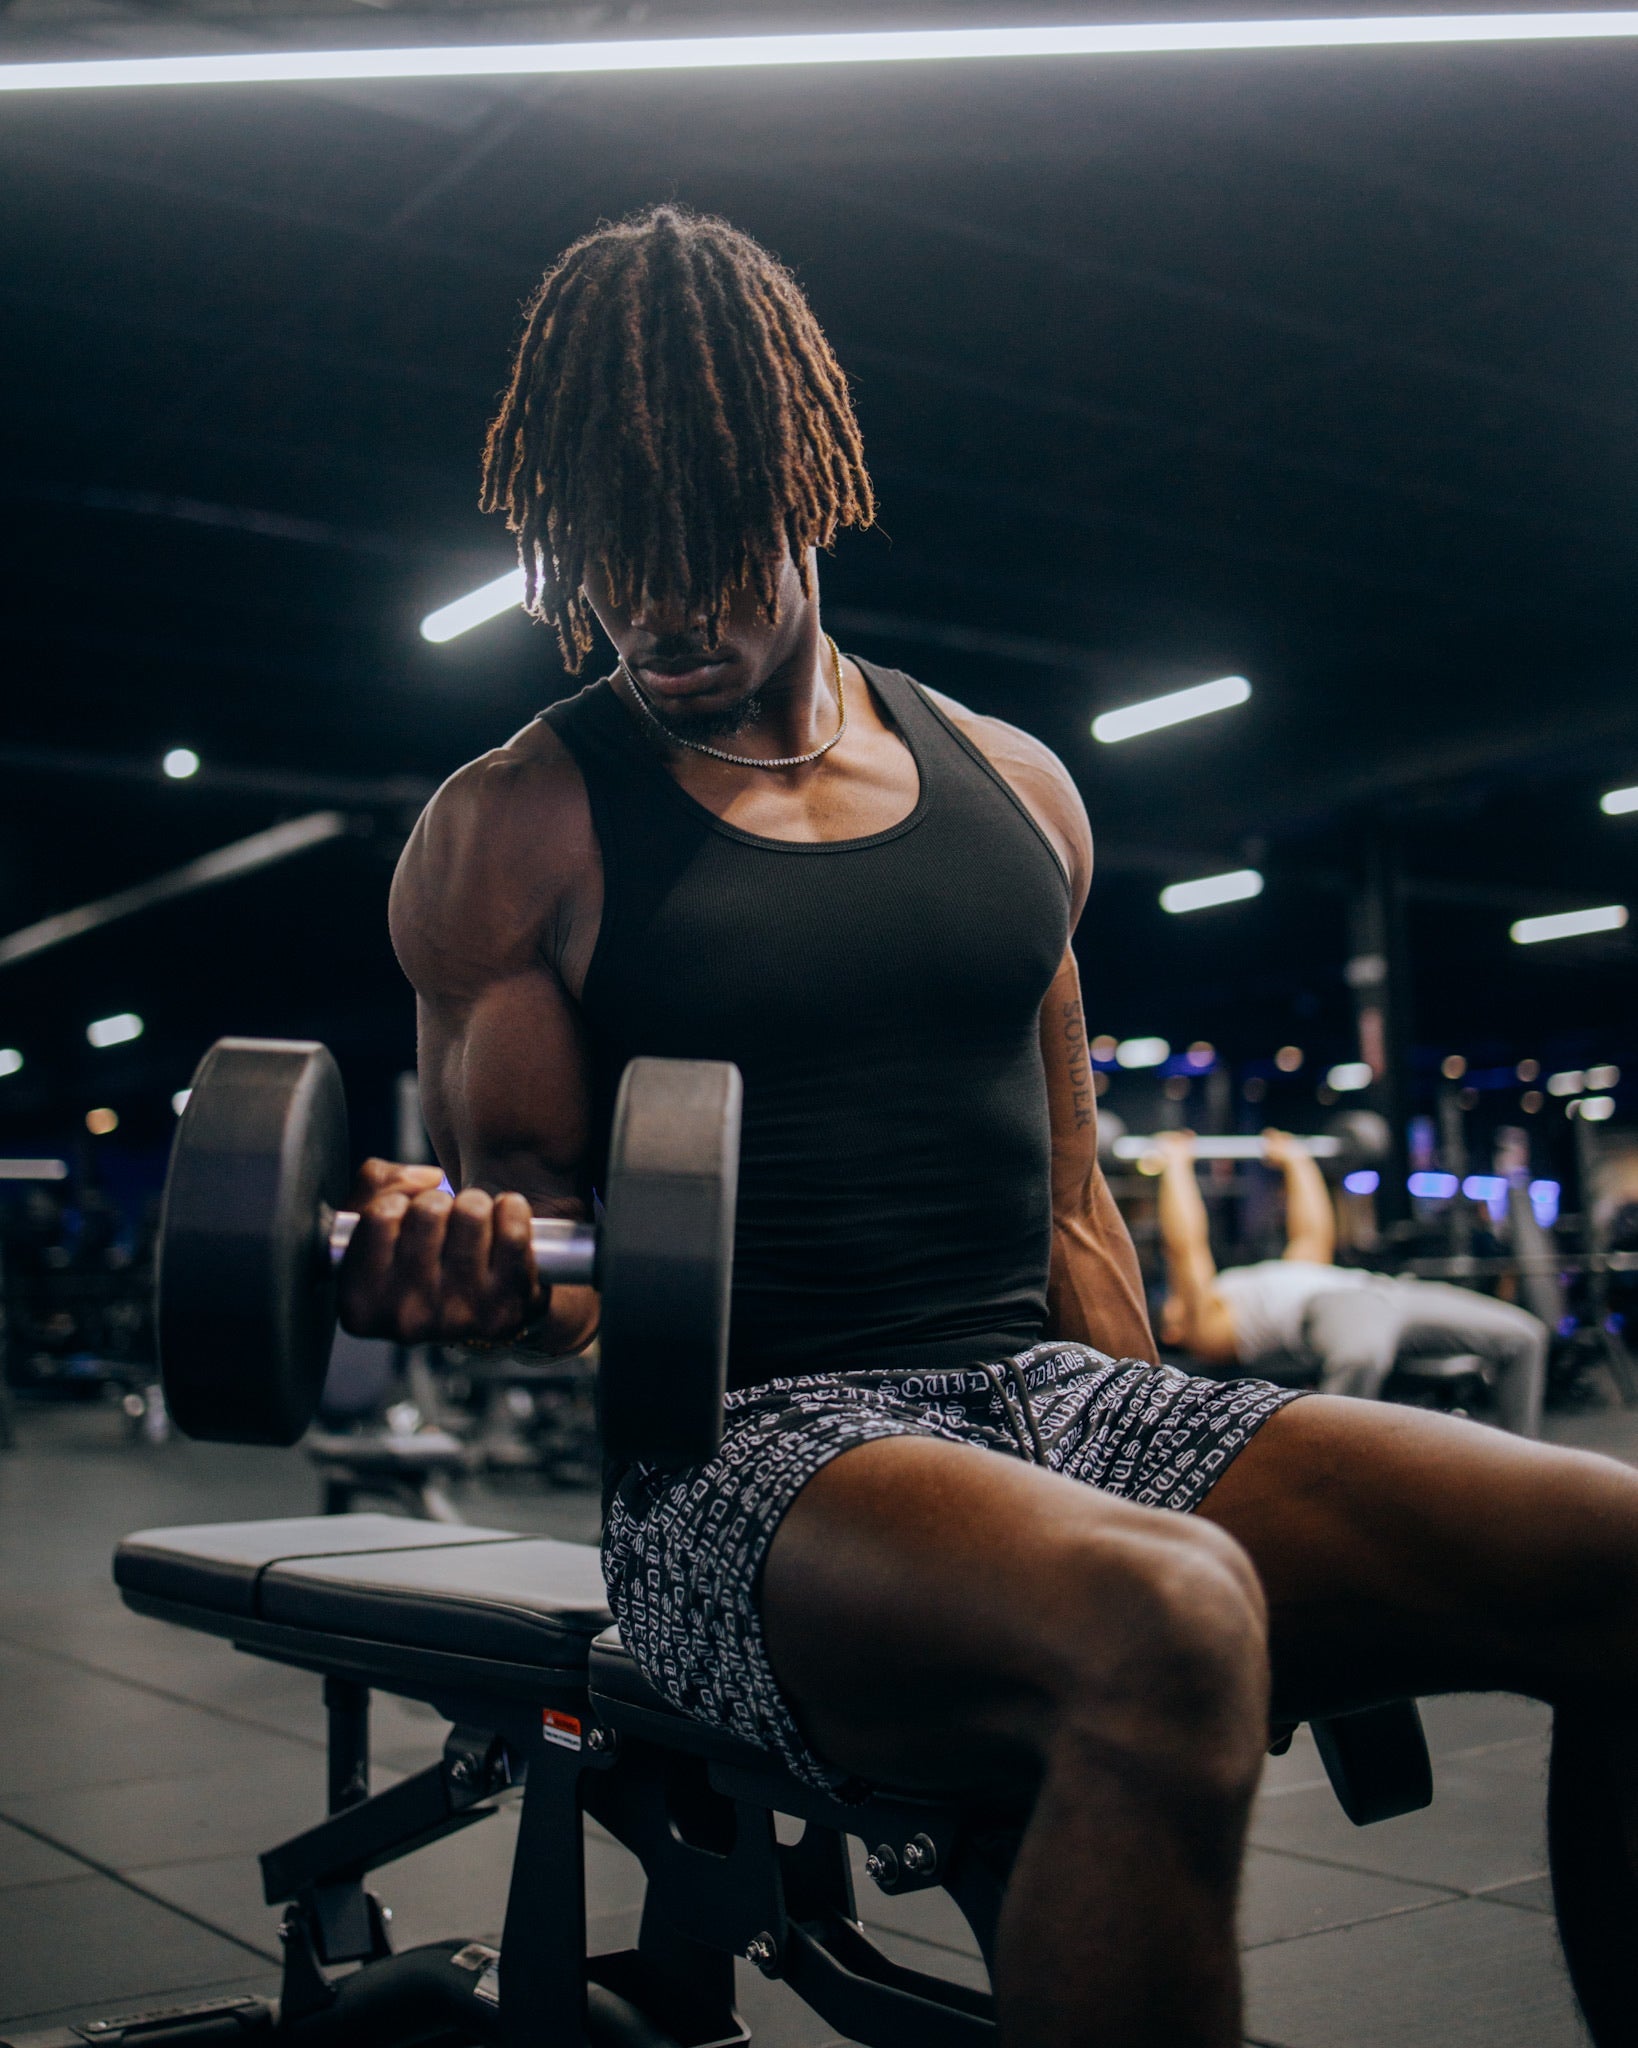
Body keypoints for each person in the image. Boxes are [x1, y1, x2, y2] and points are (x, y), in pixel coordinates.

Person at [338, 205, 1638, 2048]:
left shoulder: (1015, 784)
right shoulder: (514, 826)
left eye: (700, 549)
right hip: (739, 1466)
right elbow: (556, 1253)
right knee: (1166, 1617)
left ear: (803, 486)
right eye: (614, 566)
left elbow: (1072, 1199)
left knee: (1609, 1548)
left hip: (1050, 1402)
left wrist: (1174, 1446)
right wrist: (473, 1267)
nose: (660, 610)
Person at [1156, 1128, 1547, 1437]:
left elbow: (1312, 1236)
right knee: (1359, 1358)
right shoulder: (1206, 1326)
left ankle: (1525, 1467)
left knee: (1525, 1336)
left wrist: (1297, 1161)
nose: (1172, 1299)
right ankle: (1330, 1483)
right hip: (1338, 1308)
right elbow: (1184, 1247)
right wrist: (1176, 1166)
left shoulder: (1263, 1280)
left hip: (1387, 1290)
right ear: (1172, 1332)